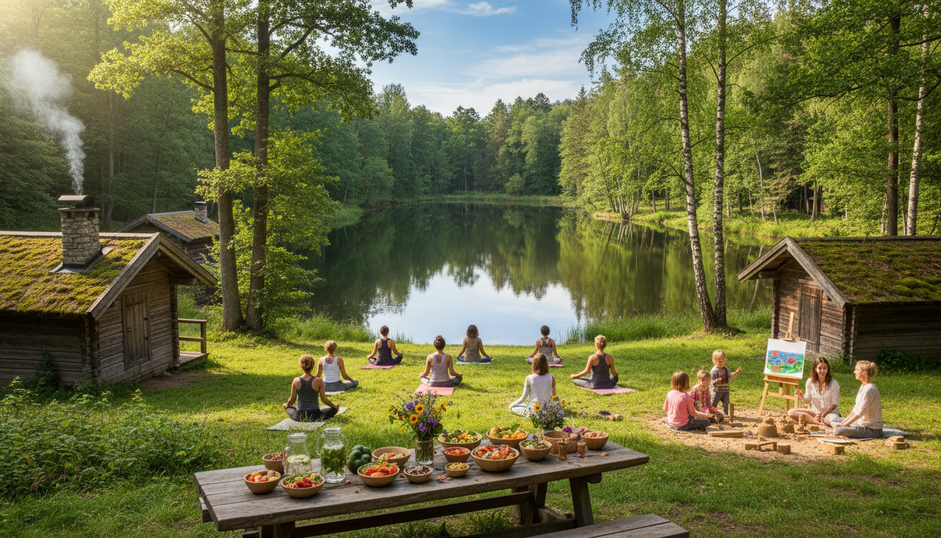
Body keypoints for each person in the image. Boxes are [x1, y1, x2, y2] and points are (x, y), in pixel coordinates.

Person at [832, 361, 882, 438]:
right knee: (835, 421)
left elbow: (860, 413)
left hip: (871, 429)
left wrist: (843, 425)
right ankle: (843, 426)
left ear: (864, 373)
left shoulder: (869, 390)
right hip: (859, 423)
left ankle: (843, 428)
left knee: (837, 430)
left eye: (857, 370)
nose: (854, 372)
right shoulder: (863, 386)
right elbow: (855, 410)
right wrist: (843, 423)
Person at [283, 354, 340, 421]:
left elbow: (292, 400)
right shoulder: (318, 381)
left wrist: (287, 405)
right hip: (315, 415)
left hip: (299, 416)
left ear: (301, 366)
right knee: (333, 410)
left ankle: (291, 407)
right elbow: (324, 399)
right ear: (313, 366)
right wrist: (334, 406)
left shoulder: (296, 381)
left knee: (288, 407)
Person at [787, 357, 841, 426]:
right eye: (820, 368)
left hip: (829, 414)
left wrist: (823, 414)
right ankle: (815, 421)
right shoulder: (810, 382)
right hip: (815, 413)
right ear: (815, 369)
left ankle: (816, 420)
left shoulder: (834, 383)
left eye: (824, 368)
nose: (822, 371)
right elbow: (808, 399)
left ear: (827, 369)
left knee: (833, 418)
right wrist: (801, 395)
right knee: (791, 412)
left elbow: (834, 404)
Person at [710, 349, 741, 415]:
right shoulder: (714, 371)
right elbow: (710, 381)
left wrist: (736, 373)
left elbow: (730, 376)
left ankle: (727, 414)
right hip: (717, 390)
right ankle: (711, 413)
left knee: (726, 403)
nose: (722, 363)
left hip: (725, 390)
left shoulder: (726, 369)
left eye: (723, 362)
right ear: (714, 361)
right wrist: (716, 381)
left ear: (725, 360)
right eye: (720, 362)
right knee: (714, 402)